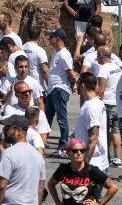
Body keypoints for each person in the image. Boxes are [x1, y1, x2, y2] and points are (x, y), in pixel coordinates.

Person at [0, 114, 47, 205]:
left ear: (18, 130)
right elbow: (40, 188)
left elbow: (1, 186)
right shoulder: (38, 156)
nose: (4, 132)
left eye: (7, 129)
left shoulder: (9, 153)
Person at [47, 138, 118, 205]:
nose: (79, 153)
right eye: (75, 151)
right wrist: (57, 202)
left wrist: (99, 204)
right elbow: (51, 184)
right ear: (68, 152)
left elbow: (113, 187)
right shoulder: (63, 169)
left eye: (82, 151)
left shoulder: (91, 170)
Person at [45, 28, 76, 157]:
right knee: (46, 118)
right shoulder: (56, 52)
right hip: (53, 90)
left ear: (57, 38)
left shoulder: (64, 55)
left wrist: (72, 85)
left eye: (51, 37)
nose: (49, 39)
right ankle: (41, 142)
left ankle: (63, 147)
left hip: (60, 89)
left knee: (61, 119)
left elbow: (72, 75)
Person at [75, 72, 108, 173]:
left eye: (78, 83)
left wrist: (84, 165)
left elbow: (93, 137)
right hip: (97, 163)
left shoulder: (91, 108)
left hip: (93, 165)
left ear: (83, 85)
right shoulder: (96, 103)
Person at [1, 81, 51, 147]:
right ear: (16, 95)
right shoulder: (10, 109)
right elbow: (9, 131)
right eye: (24, 92)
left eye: (29, 91)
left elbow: (43, 139)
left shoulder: (39, 113)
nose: (27, 94)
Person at [95, 47, 122, 167]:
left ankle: (105, 156)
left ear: (101, 55)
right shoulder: (117, 68)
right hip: (117, 104)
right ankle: (117, 158)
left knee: (104, 132)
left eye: (97, 55)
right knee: (116, 131)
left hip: (107, 104)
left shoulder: (103, 69)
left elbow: (101, 90)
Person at [22, 26, 49, 91]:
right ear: (39, 36)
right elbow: (45, 71)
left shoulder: (21, 48)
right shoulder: (40, 50)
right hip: (37, 87)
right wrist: (50, 86)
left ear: (28, 36)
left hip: (23, 86)